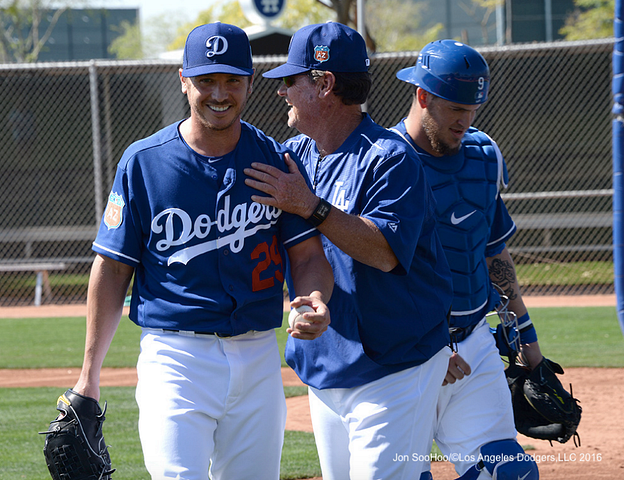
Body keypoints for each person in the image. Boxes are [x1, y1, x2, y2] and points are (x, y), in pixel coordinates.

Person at [71, 22, 333, 480]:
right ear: (184, 80)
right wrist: (88, 376)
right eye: (207, 79)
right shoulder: (144, 162)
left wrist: (314, 298)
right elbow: (112, 270)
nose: (220, 93)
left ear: (250, 83)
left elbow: (308, 256)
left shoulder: (273, 160)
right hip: (176, 358)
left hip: (257, 355)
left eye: (232, 79)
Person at [245, 22, 454, 480]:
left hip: (395, 365)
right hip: (326, 364)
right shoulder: (292, 154)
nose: (282, 92)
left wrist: (310, 205)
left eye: (290, 81)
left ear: (324, 84)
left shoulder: (389, 157)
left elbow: (382, 251)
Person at [389, 40, 541, 480]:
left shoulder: (484, 156)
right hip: (408, 352)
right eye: (455, 107)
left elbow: (494, 253)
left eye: (473, 108)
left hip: (475, 340)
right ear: (422, 96)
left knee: (511, 472)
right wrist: (432, 344)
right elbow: (369, 270)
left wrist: (530, 345)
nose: (466, 120)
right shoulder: (383, 162)